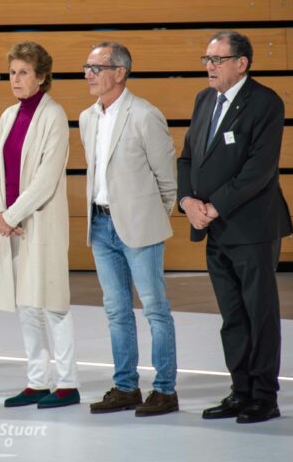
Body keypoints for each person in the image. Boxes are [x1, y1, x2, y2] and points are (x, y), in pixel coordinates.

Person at [177, 30, 293, 424]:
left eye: (217, 60)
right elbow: (188, 158)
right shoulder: (204, 100)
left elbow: (258, 171)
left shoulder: (265, 102)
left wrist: (213, 206)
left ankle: (264, 395)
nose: (209, 66)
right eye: (206, 59)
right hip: (214, 228)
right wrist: (187, 201)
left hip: (252, 227)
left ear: (241, 63)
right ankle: (240, 390)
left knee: (259, 313)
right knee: (232, 316)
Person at [79, 41, 179, 416]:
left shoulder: (144, 115)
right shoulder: (88, 118)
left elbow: (167, 178)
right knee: (116, 311)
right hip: (101, 225)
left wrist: (154, 217)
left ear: (119, 72)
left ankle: (165, 390)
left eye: (96, 67)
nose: (88, 74)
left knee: (155, 309)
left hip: (140, 227)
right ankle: (125, 387)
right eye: (87, 67)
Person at [0, 42, 80, 409]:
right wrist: (0, 213)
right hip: (11, 224)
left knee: (53, 303)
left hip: (40, 222)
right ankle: (38, 380)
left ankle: (68, 384)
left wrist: (11, 215)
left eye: (24, 72)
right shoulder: (8, 116)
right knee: (26, 305)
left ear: (42, 77)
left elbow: (45, 178)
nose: (16, 78)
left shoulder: (54, 115)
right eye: (12, 72)